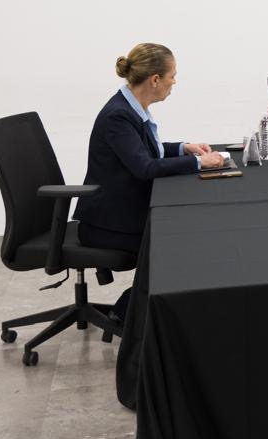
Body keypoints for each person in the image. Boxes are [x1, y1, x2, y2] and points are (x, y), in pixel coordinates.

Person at [74, 44, 224, 317]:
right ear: (155, 79)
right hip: (107, 224)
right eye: (172, 76)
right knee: (179, 243)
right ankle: (129, 312)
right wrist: (199, 163)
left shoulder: (130, 108)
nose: (174, 82)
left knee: (186, 234)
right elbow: (144, 167)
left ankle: (141, 310)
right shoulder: (118, 116)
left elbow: (142, 151)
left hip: (121, 213)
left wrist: (183, 148)